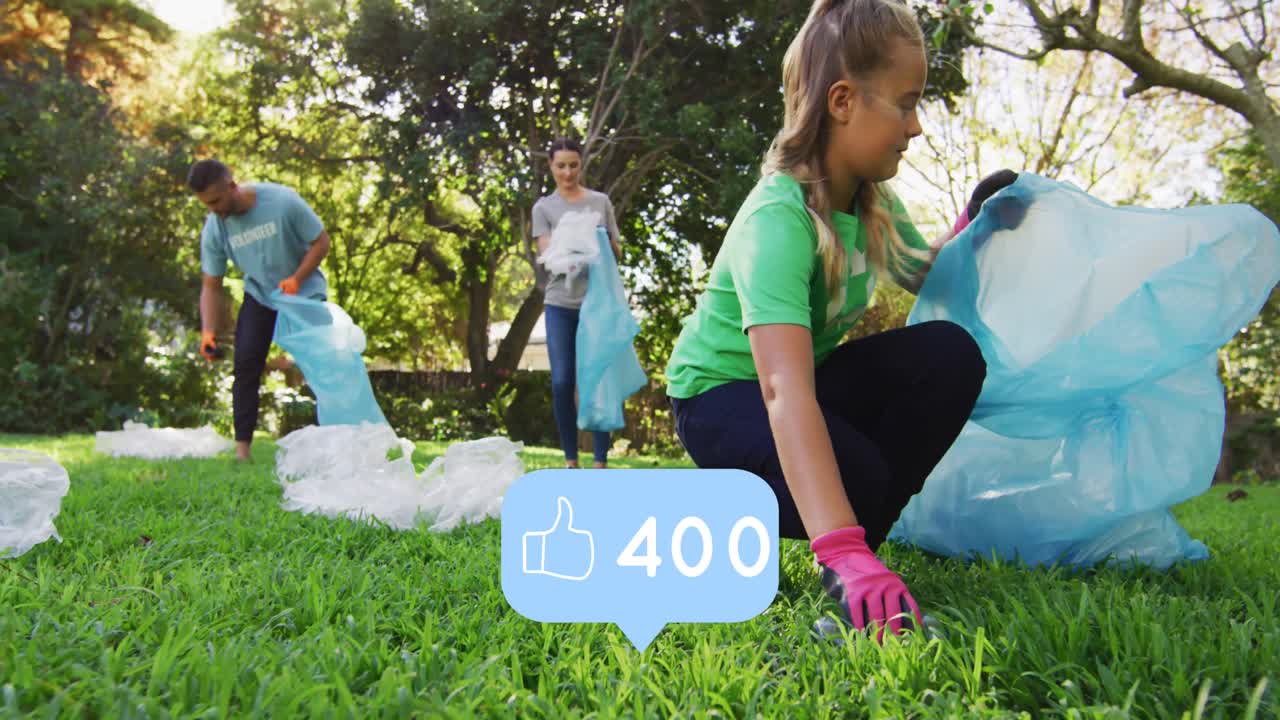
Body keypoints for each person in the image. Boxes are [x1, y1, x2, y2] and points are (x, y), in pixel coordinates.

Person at [663, 0, 1020, 640]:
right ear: (843, 101)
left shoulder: (871, 202)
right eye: (906, 104)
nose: (915, 128)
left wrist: (980, 226)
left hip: (802, 382)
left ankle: (858, 556)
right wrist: (838, 545)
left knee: (948, 356)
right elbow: (781, 389)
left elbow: (928, 270)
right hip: (718, 398)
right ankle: (811, 543)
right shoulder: (779, 218)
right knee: (859, 475)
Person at [188, 159, 332, 462]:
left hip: (303, 291)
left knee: (320, 367)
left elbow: (321, 241)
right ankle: (243, 450)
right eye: (206, 205)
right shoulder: (215, 227)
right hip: (261, 295)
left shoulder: (282, 202)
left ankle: (335, 442)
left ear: (232, 186)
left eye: (216, 201)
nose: (213, 210)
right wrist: (208, 331)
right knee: (246, 365)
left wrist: (297, 279)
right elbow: (211, 285)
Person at [532, 138, 624, 469]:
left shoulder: (600, 203)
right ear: (551, 167)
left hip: (596, 302)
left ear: (581, 165)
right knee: (562, 381)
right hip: (560, 303)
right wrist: (572, 243)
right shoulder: (544, 208)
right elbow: (547, 254)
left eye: (574, 165)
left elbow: (617, 250)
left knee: (597, 379)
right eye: (561, 166)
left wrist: (598, 239)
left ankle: (600, 461)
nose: (568, 172)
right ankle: (571, 460)